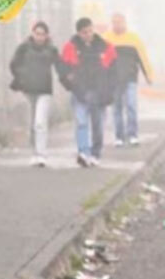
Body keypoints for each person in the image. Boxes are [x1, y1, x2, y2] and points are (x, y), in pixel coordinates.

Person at [59, 17, 116, 167]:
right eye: (85, 32)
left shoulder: (105, 47)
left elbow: (113, 70)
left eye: (90, 31)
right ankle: (83, 152)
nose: (88, 34)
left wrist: (110, 90)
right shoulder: (70, 47)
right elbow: (63, 69)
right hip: (80, 92)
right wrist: (70, 84)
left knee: (98, 125)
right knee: (82, 122)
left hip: (99, 92)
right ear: (79, 33)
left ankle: (95, 153)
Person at [9, 20, 60, 167]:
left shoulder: (51, 49)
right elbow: (14, 64)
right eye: (37, 34)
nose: (40, 37)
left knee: (40, 122)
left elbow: (60, 66)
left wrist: (69, 78)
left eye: (42, 34)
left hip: (45, 90)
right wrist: (22, 75)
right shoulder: (24, 48)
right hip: (29, 89)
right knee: (32, 122)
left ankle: (41, 154)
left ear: (47, 36)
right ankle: (34, 152)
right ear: (33, 33)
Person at [103, 13, 154, 146]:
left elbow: (142, 58)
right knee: (117, 108)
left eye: (119, 22)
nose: (117, 25)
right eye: (114, 22)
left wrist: (148, 75)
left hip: (130, 78)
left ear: (125, 23)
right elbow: (101, 60)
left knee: (131, 105)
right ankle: (119, 136)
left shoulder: (134, 39)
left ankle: (133, 134)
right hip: (113, 79)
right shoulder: (106, 39)